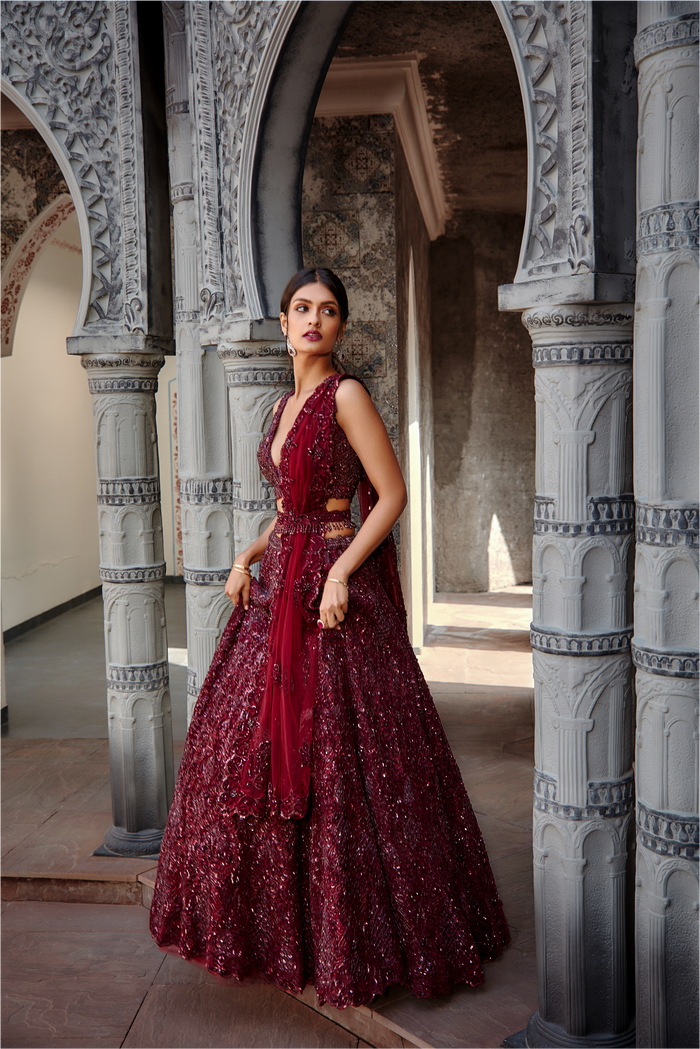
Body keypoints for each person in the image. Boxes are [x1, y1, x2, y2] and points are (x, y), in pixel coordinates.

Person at [149, 267, 509, 1009]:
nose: (315, 319)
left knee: (350, 758)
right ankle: (279, 934)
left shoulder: (346, 396)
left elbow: (392, 494)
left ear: (340, 325)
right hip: (279, 584)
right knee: (239, 747)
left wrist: (342, 573)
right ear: (284, 323)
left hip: (330, 593)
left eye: (330, 310)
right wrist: (248, 553)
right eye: (303, 308)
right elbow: (292, 510)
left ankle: (359, 938)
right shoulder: (283, 405)